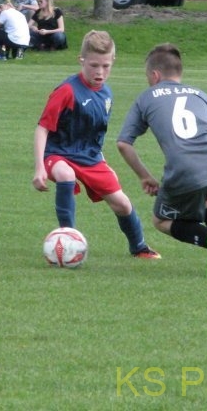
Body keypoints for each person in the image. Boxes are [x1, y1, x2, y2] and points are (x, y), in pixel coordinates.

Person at [116, 43, 207, 277]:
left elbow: (123, 143)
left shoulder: (146, 97)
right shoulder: (199, 94)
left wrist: (145, 176)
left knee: (160, 220)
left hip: (185, 170)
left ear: (155, 75)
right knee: (205, 198)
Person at [32, 30, 161, 260]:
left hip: (90, 157)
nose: (99, 72)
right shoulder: (67, 91)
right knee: (65, 174)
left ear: (113, 62)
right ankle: (67, 240)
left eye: (105, 66)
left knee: (122, 204)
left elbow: (93, 134)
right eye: (93, 65)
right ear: (81, 61)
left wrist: (101, 162)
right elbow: (42, 128)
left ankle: (139, 247)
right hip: (58, 153)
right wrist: (40, 168)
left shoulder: (107, 94)